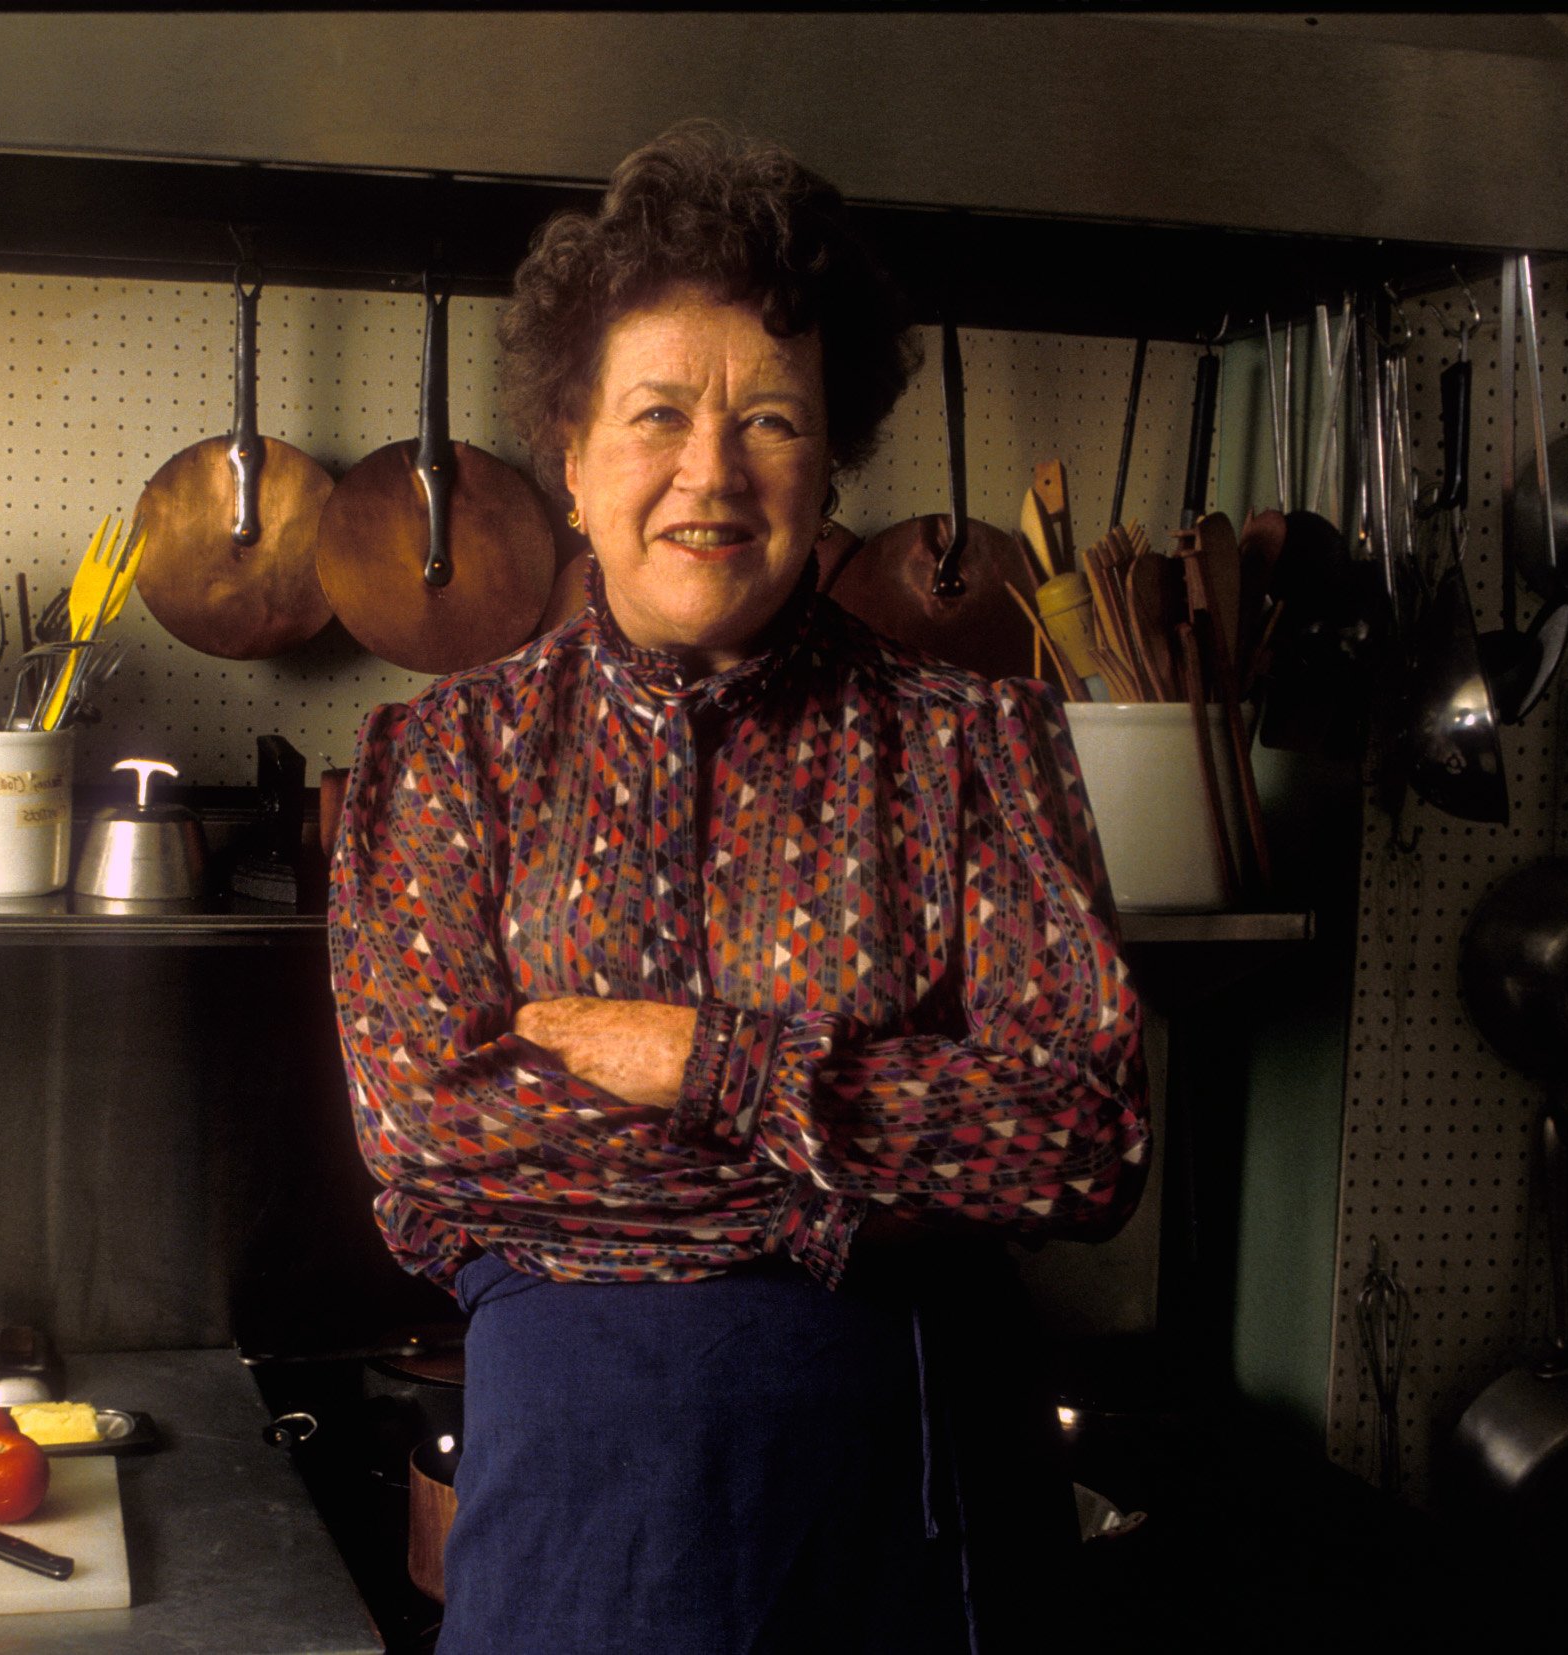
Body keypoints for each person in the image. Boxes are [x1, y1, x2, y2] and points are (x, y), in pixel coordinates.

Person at [326, 120, 1151, 1655]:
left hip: (917, 1516)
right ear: (571, 464)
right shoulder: (444, 760)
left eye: (769, 420)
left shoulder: (973, 741)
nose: (709, 474)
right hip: (578, 1520)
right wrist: (865, 1191)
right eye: (656, 417)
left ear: (830, 463)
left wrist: (708, 1060)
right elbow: (433, 1144)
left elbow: (1080, 1139)